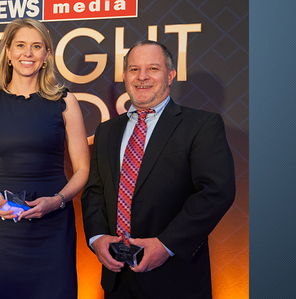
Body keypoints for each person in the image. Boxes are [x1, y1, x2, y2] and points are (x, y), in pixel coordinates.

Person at [81, 40, 236, 299]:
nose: (142, 77)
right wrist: (97, 239)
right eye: (134, 69)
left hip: (175, 279)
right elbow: (95, 191)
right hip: (116, 279)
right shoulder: (106, 131)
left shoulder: (201, 125)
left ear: (171, 75)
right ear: (125, 76)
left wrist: (166, 245)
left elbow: (216, 192)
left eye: (153, 68)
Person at [0, 18, 90, 299]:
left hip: (52, 229)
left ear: (47, 55)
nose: (28, 53)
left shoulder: (65, 101)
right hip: (3, 230)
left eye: (37, 46)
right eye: (21, 46)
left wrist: (58, 201)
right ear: (9, 53)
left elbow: (83, 169)